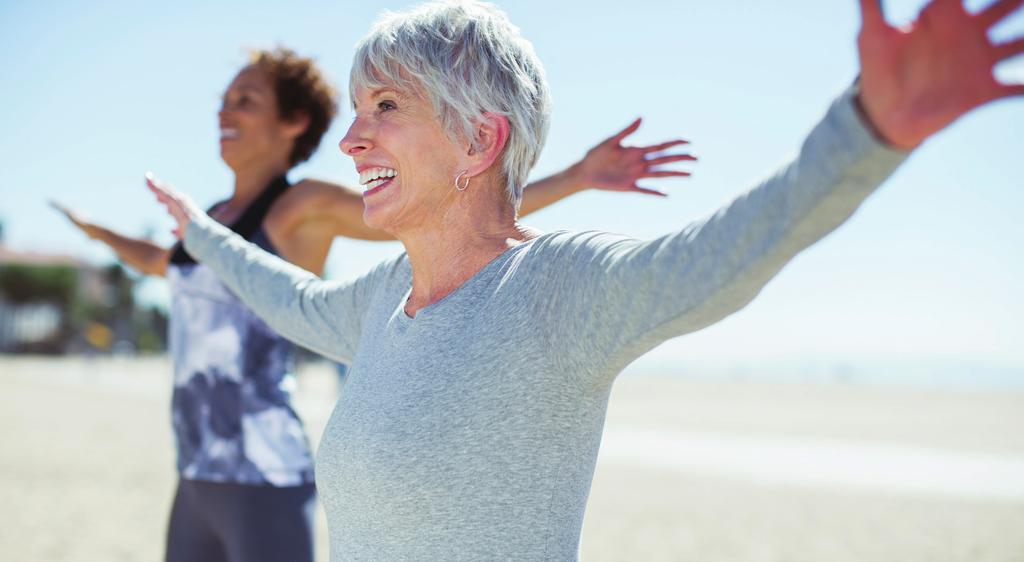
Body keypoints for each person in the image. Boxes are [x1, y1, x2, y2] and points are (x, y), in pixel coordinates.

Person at [148, 0, 1023, 559]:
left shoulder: (558, 291)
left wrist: (868, 132)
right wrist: (200, 230)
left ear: (478, 143)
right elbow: (286, 296)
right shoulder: (381, 302)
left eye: (386, 107)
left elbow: (726, 254)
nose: (352, 139)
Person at [55, 45, 693, 562]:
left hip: (264, 462)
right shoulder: (212, 219)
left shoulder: (303, 204)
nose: (226, 110)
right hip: (195, 455)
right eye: (223, 100)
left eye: (245, 100)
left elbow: (447, 203)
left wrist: (576, 177)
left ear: (293, 122)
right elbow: (158, 261)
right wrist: (95, 231)